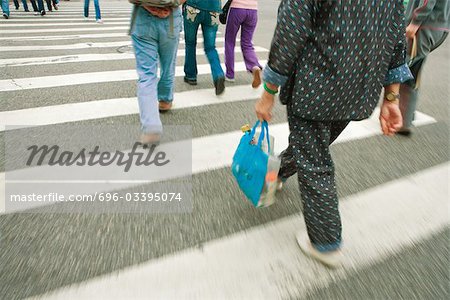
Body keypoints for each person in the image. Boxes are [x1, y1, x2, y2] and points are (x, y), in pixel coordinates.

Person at [255, 0, 413, 268]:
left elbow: (290, 32)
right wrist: (391, 98)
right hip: (358, 91)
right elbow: (396, 41)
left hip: (315, 86)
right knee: (310, 147)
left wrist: (268, 93)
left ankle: (325, 242)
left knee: (315, 162)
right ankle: (276, 175)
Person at [129, 0, 185, 144]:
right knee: (168, 65)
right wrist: (171, 4)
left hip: (142, 19)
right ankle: (165, 99)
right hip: (171, 19)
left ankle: (151, 126)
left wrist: (148, 5)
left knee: (146, 74)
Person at [398, 0, 449, 136]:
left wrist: (415, 21)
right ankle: (404, 120)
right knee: (411, 71)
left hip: (425, 26)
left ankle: (401, 120)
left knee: (401, 69)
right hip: (439, 26)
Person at [183, 0, 225, 95]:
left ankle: (191, 75)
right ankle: (218, 73)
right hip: (213, 10)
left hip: (193, 7)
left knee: (190, 43)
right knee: (210, 47)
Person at [224, 0, 262, 88]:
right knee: (247, 43)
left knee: (230, 41)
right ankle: (254, 66)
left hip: (237, 8)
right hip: (253, 10)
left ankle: (230, 74)